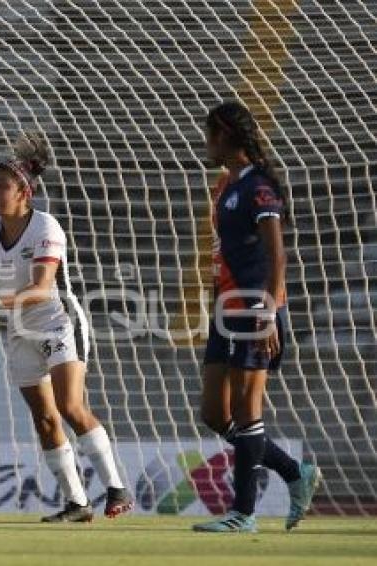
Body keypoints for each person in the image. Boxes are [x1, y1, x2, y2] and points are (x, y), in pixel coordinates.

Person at [0, 132, 132, 522]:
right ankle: (77, 503)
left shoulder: (45, 226)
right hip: (20, 329)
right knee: (44, 419)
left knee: (70, 406)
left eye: (2, 186)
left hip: (58, 320)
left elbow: (43, 288)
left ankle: (116, 487)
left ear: (24, 193)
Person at [193, 101, 320, 533]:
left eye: (210, 134)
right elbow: (221, 254)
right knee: (214, 412)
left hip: (253, 305)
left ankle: (243, 513)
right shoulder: (224, 185)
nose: (206, 143)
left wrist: (268, 311)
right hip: (226, 308)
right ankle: (292, 471)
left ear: (226, 135)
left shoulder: (258, 186)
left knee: (248, 410)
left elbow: (276, 253)